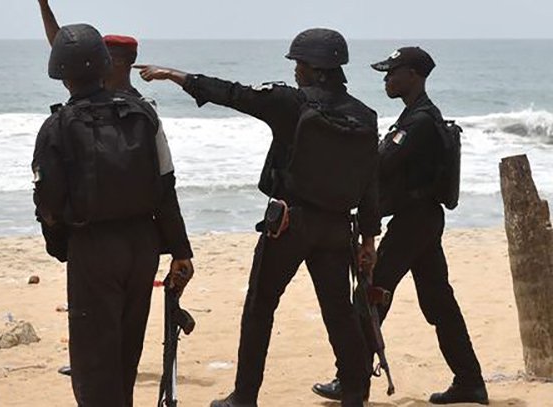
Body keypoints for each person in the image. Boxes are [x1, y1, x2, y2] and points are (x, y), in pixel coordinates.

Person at [136, 28, 380, 407]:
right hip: (336, 228)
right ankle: (355, 392)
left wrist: (176, 75)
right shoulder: (365, 115)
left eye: (299, 63)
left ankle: (245, 397)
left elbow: (232, 94)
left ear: (315, 68)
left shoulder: (290, 102)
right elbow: (369, 180)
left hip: (289, 224)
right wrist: (368, 239)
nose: (295, 70)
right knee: (339, 311)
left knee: (260, 307)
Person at [311, 46, 489, 405]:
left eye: (393, 72)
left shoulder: (420, 121)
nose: (386, 78)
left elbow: (380, 163)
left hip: (415, 222)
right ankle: (470, 381)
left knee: (370, 293)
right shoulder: (416, 117)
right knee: (440, 303)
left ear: (414, 75)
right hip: (421, 221)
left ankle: (351, 381)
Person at [33, 24, 194, 407]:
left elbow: (48, 204)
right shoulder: (144, 115)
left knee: (92, 362)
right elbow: (165, 186)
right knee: (126, 350)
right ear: (105, 66)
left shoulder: (57, 126)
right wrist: (180, 251)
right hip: (142, 246)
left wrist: (62, 247)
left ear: (61, 74)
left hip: (92, 247)